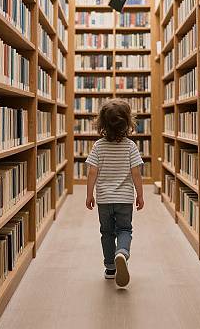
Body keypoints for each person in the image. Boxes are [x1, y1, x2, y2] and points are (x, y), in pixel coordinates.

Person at [85, 99, 145, 288]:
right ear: (128, 123)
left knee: (107, 232)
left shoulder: (98, 146)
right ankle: (122, 253)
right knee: (125, 230)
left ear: (101, 123)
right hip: (125, 199)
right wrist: (140, 195)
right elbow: (136, 173)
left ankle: (110, 268)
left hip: (104, 199)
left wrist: (89, 195)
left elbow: (92, 172)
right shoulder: (130, 146)